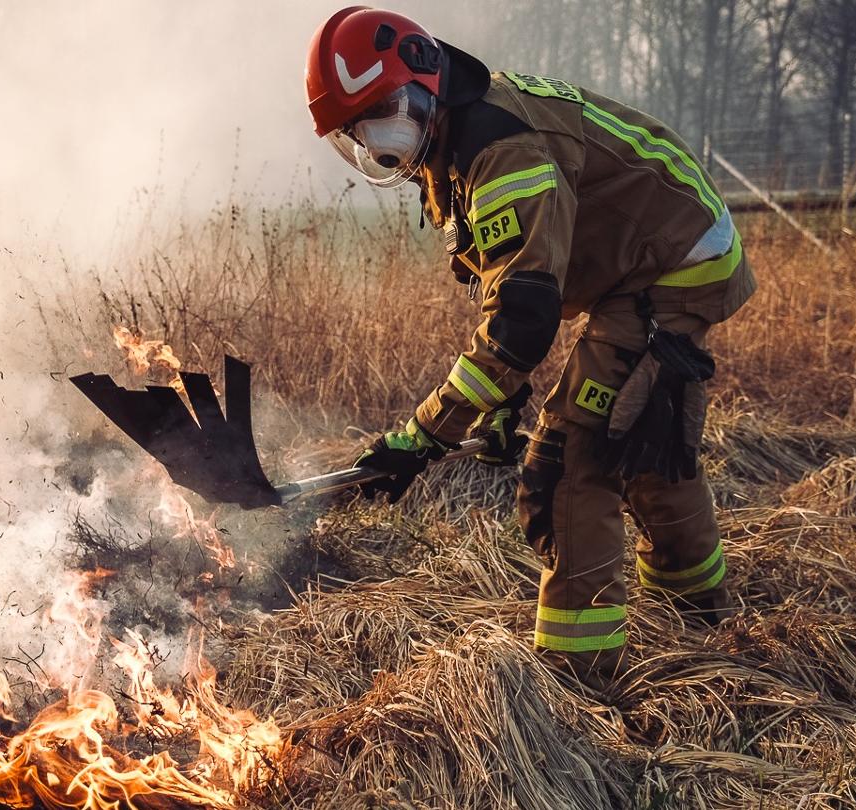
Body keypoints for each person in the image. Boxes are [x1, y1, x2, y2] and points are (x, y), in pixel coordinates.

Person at [304, 7, 753, 684]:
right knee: (645, 439)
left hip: (674, 264)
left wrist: (423, 436)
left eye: (381, 112)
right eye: (357, 130)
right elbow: (511, 287)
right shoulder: (449, 141)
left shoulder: (500, 148)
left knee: (570, 461)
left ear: (425, 79)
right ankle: (703, 621)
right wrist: (501, 405)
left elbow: (522, 322)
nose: (376, 140)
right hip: (656, 253)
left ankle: (580, 679)